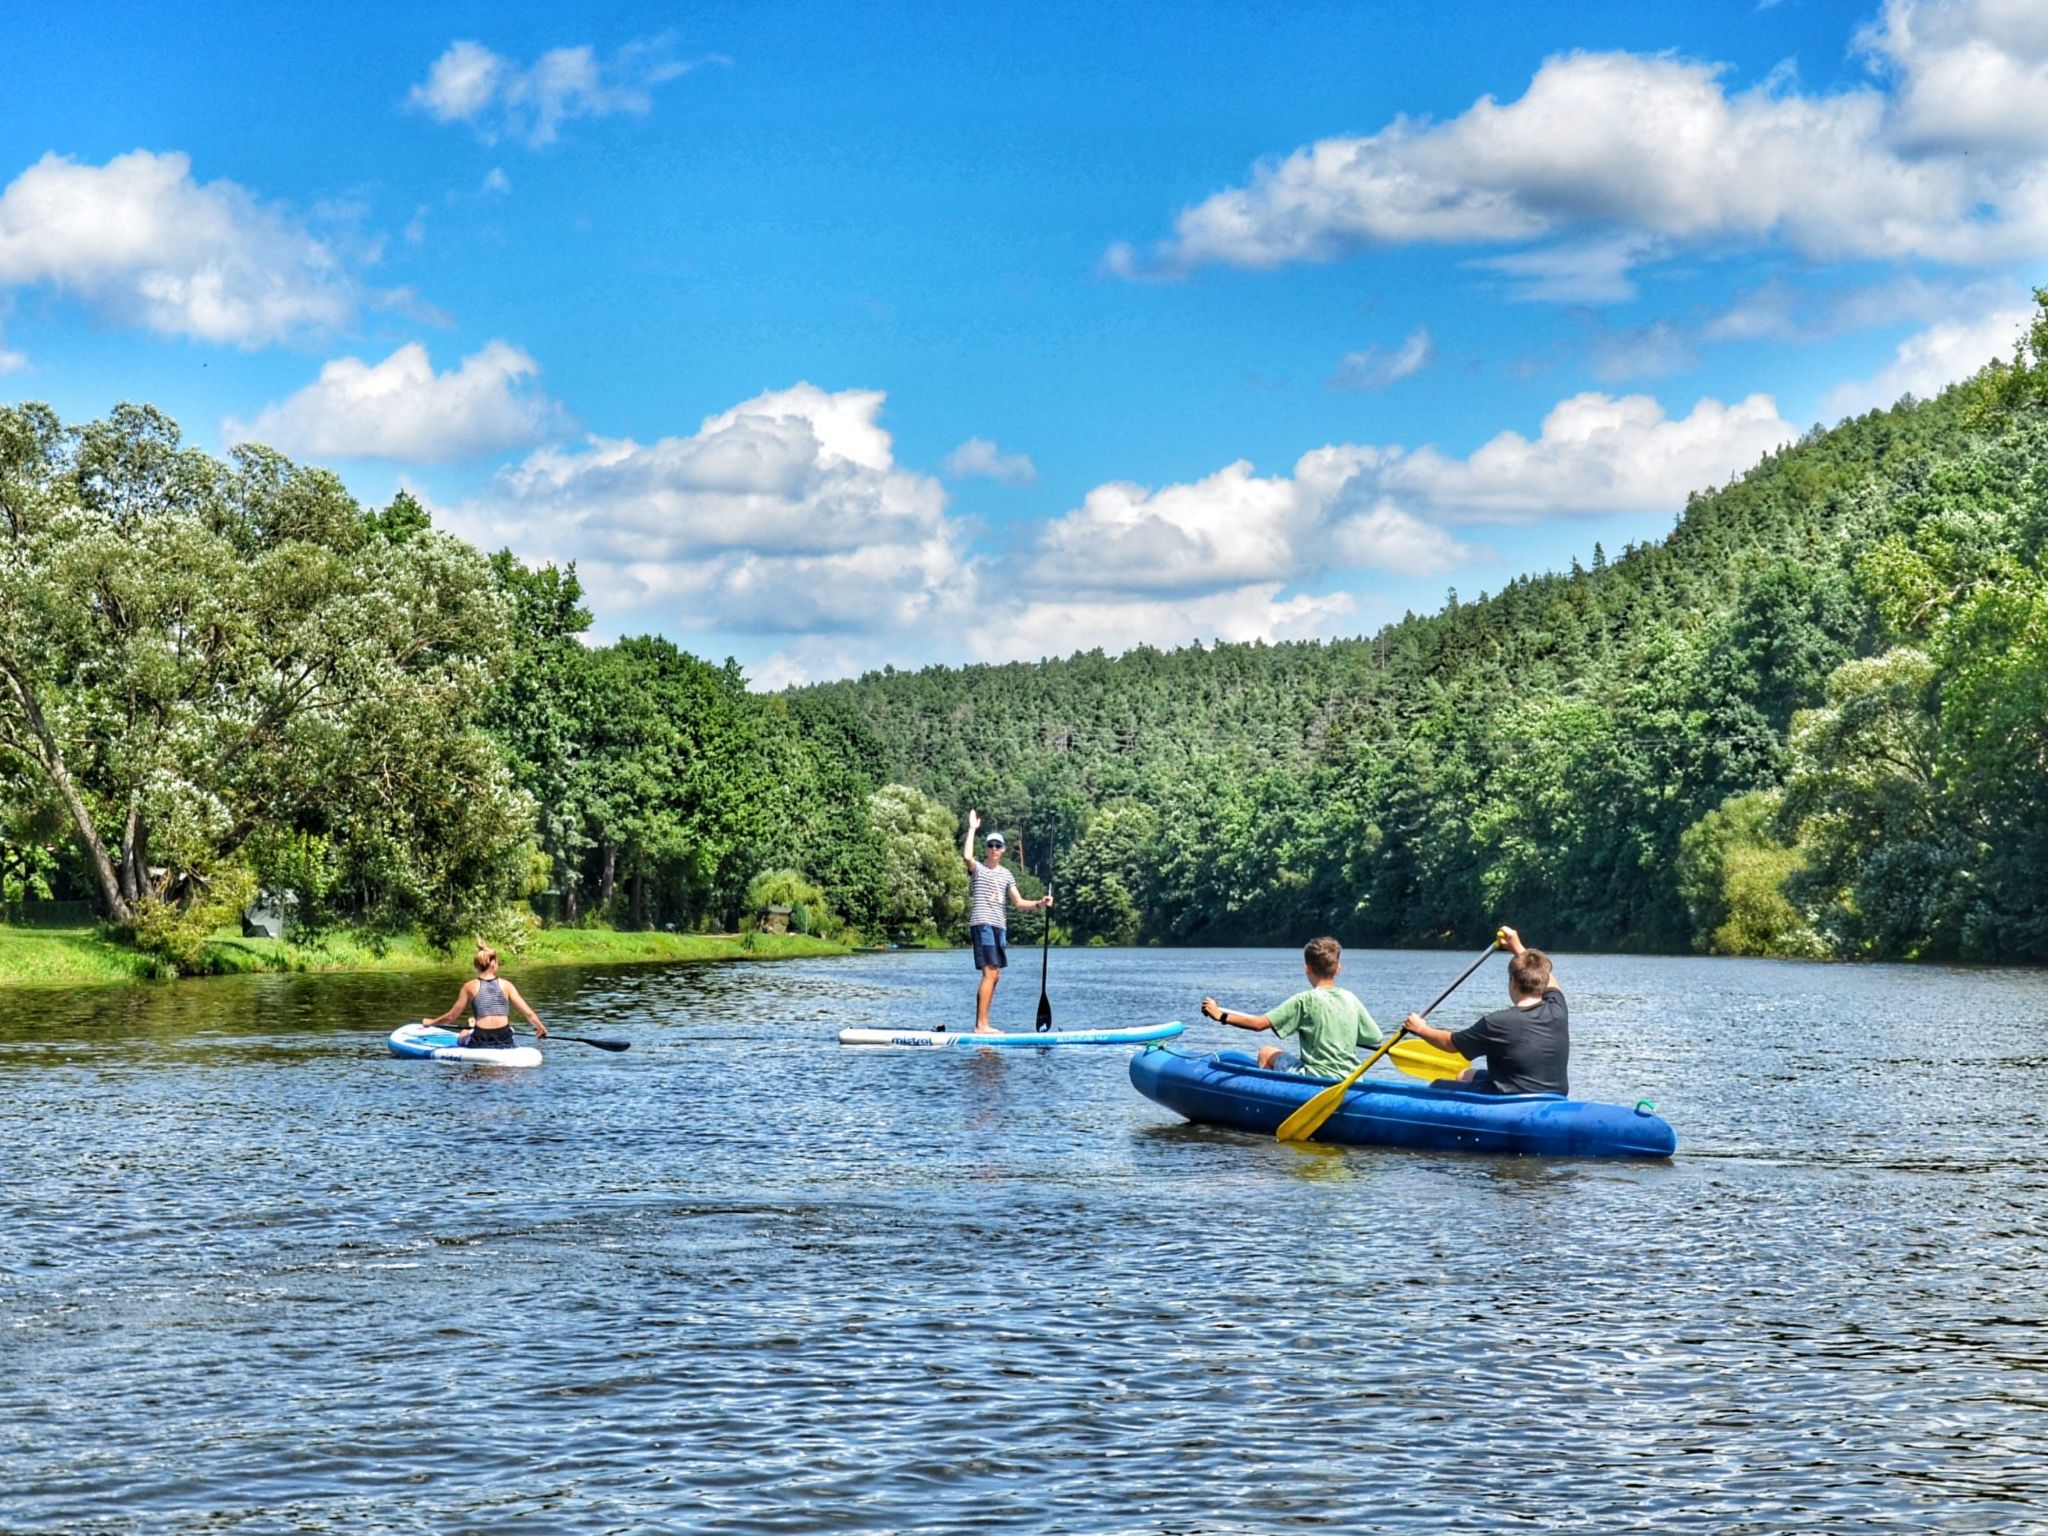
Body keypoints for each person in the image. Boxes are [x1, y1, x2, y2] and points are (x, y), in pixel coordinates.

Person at [1400, 926, 1567, 1095]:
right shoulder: (1557, 1009)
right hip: (1554, 1095)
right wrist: (1518, 948)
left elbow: (1450, 1044)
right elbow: (1551, 980)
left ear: (1514, 983)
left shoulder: (1497, 1023)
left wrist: (1420, 1028)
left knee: (1438, 1086)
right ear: (1543, 981)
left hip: (1511, 1100)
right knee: (1465, 1074)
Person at [1199, 936, 1381, 1076]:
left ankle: (1266, 1103)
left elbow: (1258, 1024)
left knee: (1266, 1052)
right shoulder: (1351, 998)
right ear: (1338, 968)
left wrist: (1219, 1015)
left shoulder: (1305, 1000)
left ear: (1306, 968)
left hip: (1316, 1077)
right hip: (1351, 1077)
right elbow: (1374, 1038)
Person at [961, 808, 1052, 1033]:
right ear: (986, 848)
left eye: (997, 846)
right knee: (989, 972)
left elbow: (1019, 902)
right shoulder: (978, 870)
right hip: (982, 923)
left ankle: (984, 1023)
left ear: (1003, 850)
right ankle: (981, 1026)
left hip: (999, 926)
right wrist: (972, 829)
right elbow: (966, 857)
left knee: (996, 974)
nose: (993, 849)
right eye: (990, 845)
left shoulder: (1007, 874)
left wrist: (1040, 902)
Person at [422, 943, 550, 1048]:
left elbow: (452, 1016)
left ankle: (473, 1026)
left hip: (481, 1039)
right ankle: (474, 1025)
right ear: (493, 963)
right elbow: (528, 1013)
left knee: (463, 1034)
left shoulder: (469, 986)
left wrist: (431, 1022)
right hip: (504, 1038)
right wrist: (541, 1028)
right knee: (507, 1029)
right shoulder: (507, 985)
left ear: (477, 965)